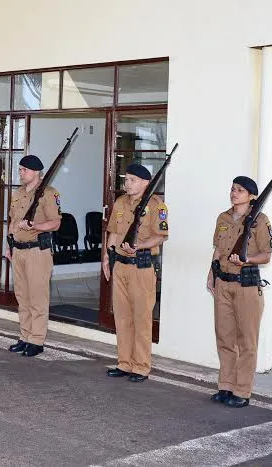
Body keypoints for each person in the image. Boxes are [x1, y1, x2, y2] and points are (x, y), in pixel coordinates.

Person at [206, 176, 272, 408]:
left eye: (240, 190)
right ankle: (225, 386)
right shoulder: (223, 218)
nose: (234, 193)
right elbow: (217, 250)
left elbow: (266, 255)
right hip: (223, 283)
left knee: (247, 341)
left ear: (251, 196)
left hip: (246, 286)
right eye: (233, 189)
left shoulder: (260, 221)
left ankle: (242, 391)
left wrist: (247, 259)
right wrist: (211, 273)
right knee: (224, 337)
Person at [103, 164, 169, 383]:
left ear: (145, 183)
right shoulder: (120, 202)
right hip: (120, 265)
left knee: (141, 318)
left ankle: (141, 366)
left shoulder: (156, 206)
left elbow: (160, 237)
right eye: (126, 179)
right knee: (122, 317)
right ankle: (124, 363)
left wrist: (139, 246)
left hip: (141, 267)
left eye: (132, 180)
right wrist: (106, 257)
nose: (127, 183)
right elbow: (112, 233)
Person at [5, 155, 61, 357]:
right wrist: (9, 243)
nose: (21, 173)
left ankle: (37, 340)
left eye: (24, 170)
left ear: (36, 172)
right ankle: (25, 336)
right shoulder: (18, 193)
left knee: (38, 297)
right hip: (18, 250)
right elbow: (12, 220)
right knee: (22, 296)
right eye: (20, 170)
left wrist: (35, 226)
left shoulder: (49, 194)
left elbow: (55, 223)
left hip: (38, 251)